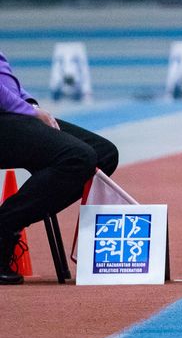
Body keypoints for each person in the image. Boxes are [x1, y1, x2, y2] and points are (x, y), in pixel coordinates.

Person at [0, 51, 119, 284]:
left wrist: (29, 103)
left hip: (11, 115)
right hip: (7, 117)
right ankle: (6, 227)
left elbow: (4, 77)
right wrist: (29, 112)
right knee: (77, 157)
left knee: (103, 154)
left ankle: (8, 222)